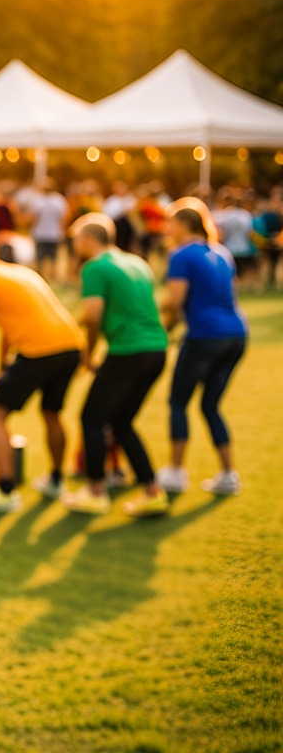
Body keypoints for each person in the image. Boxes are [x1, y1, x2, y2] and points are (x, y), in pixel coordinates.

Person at [0, 234, 84, 513]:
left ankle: (5, 490)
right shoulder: (19, 272)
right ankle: (56, 480)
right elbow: (9, 329)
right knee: (51, 412)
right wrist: (2, 365)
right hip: (70, 346)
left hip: (39, 350)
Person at [61, 214, 169, 517]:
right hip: (157, 350)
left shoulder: (94, 267)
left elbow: (92, 315)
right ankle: (152, 490)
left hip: (128, 351)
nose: (73, 245)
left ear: (88, 239)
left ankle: (96, 491)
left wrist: (88, 353)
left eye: (75, 238)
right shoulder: (137, 262)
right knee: (121, 422)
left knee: (92, 418)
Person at [156, 200, 247, 497]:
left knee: (178, 402)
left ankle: (175, 472)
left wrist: (159, 325)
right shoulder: (221, 252)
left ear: (184, 224)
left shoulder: (181, 255)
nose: (167, 228)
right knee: (210, 405)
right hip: (236, 334)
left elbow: (175, 300)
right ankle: (229, 474)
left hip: (205, 336)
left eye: (171, 222)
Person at [30, 177, 69, 282]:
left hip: (41, 233)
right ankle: (52, 276)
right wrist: (62, 230)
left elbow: (34, 218)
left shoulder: (38, 200)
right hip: (54, 233)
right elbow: (63, 218)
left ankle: (41, 276)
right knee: (53, 257)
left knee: (40, 257)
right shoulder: (59, 200)